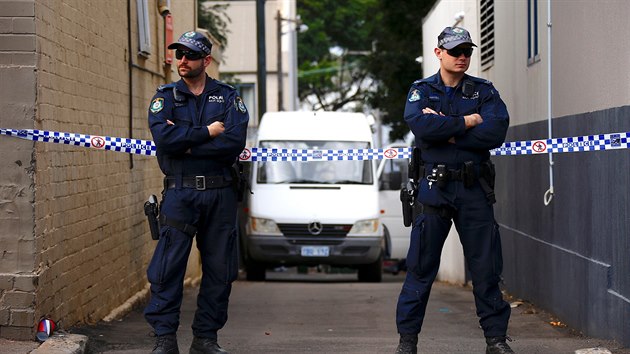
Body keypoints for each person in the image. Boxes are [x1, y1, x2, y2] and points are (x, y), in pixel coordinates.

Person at [395, 27, 513, 354]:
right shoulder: (421, 91)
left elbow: (494, 132)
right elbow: (420, 127)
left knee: (486, 268)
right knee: (420, 270)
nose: (462, 56)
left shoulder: (483, 91)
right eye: (455, 51)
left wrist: (446, 132)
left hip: (474, 189)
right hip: (433, 189)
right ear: (438, 53)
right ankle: (408, 342)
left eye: (467, 51)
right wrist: (466, 122)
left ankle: (496, 341)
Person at [145, 31, 249, 354]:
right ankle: (164, 339)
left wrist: (187, 144)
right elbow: (165, 140)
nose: (182, 61)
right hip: (180, 193)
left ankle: (205, 338)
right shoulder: (165, 97)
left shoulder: (228, 97)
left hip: (220, 194)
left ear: (206, 61)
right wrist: (206, 133)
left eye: (189, 56)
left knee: (219, 270)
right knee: (168, 268)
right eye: (179, 55)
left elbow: (233, 143)